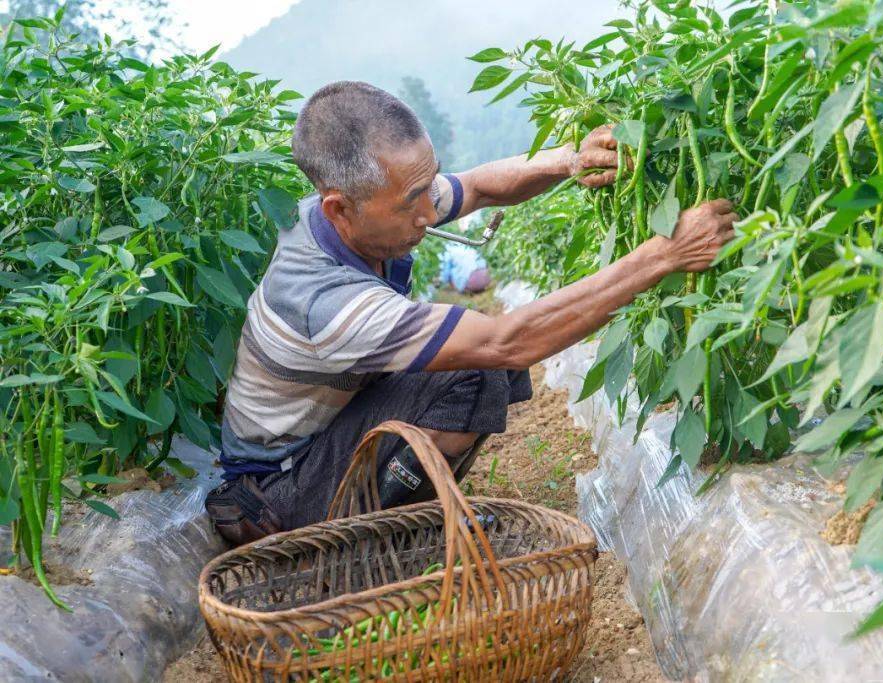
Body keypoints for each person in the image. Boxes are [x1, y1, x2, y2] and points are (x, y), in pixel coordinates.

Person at [204, 81, 737, 545]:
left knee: (471, 364)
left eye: (427, 186)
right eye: (414, 201)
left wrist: (569, 158)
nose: (429, 213)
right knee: (477, 366)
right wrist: (664, 254)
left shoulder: (369, 204)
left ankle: (410, 511)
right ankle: (376, 537)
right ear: (339, 208)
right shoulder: (323, 298)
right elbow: (508, 341)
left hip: (322, 436)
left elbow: (480, 185)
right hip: (279, 490)